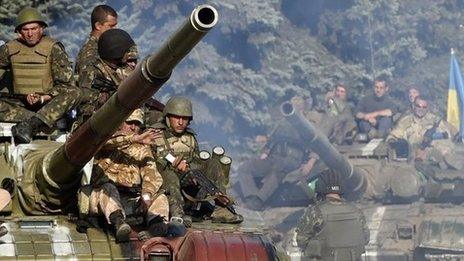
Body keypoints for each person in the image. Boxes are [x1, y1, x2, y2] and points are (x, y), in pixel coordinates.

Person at [78, 109, 175, 241]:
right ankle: (119, 224)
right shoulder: (105, 142)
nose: (133, 127)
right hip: (104, 198)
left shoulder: (142, 149)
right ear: (120, 123)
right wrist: (133, 138)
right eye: (130, 123)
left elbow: (151, 173)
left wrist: (147, 195)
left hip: (131, 198)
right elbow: (104, 142)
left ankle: (156, 228)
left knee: (160, 197)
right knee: (108, 189)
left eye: (137, 124)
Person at [149, 96, 243, 226]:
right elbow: (162, 155)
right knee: (171, 178)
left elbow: (197, 159)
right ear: (167, 117)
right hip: (164, 174)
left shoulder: (190, 137)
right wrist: (176, 162)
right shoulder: (157, 133)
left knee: (213, 164)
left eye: (185, 119)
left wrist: (197, 172)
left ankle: (220, 208)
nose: (181, 122)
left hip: (188, 175)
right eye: (176, 117)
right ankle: (178, 213)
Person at [0, 7, 81, 143]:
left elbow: (66, 85)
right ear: (19, 32)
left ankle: (32, 124)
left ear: (41, 29)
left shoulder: (54, 48)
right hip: (20, 104)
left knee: (75, 93)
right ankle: (38, 119)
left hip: (47, 103)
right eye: (26, 30)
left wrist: (43, 98)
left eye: (34, 29)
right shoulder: (9, 48)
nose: (30, 34)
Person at [239, 96, 316, 210]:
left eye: (297, 106)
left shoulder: (308, 125)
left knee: (276, 171)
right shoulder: (283, 123)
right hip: (275, 155)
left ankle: (258, 202)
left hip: (292, 159)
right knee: (246, 167)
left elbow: (315, 146)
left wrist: (310, 163)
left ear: (302, 109)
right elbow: (272, 138)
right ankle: (251, 197)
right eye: (293, 105)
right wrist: (265, 152)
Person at [296, 169, 370, 260]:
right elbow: (366, 238)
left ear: (320, 187)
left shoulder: (315, 211)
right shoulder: (356, 211)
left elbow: (301, 241)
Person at [77, 28, 138, 123]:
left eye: (134, 60)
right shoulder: (93, 71)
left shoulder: (123, 70)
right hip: (97, 121)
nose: (133, 64)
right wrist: (106, 96)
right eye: (129, 60)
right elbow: (83, 99)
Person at [387, 96, 461, 169]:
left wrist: (434, 143)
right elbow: (394, 136)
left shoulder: (435, 120)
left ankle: (447, 161)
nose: (421, 109)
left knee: (443, 147)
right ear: (413, 106)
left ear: (427, 108)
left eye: (424, 107)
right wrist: (393, 142)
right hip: (413, 152)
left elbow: (446, 137)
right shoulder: (406, 121)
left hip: (433, 150)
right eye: (418, 106)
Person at [75, 5, 118, 75]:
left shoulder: (103, 46)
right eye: (111, 26)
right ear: (98, 26)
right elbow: (86, 84)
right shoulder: (90, 52)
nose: (116, 29)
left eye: (116, 25)